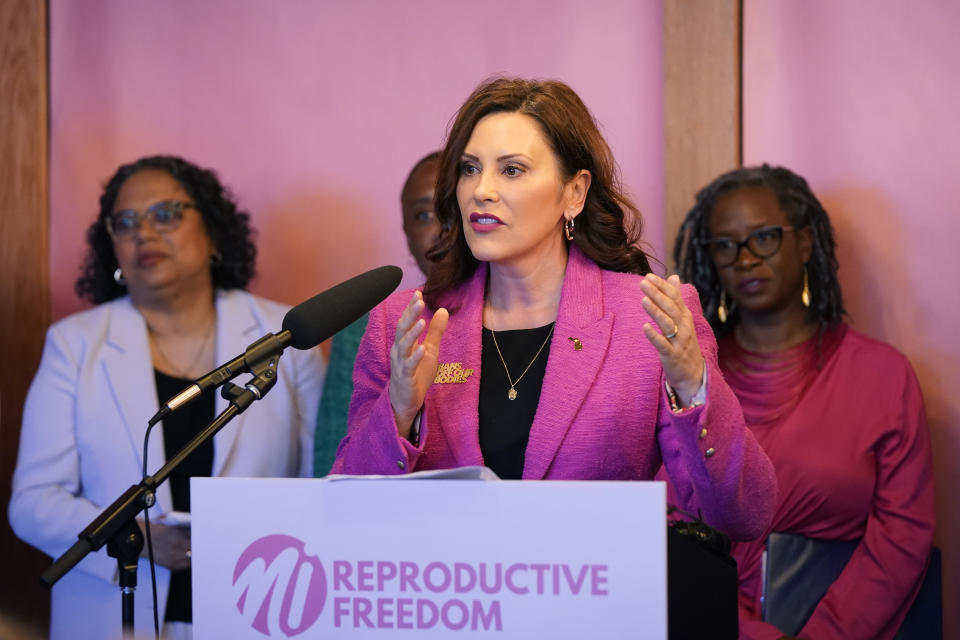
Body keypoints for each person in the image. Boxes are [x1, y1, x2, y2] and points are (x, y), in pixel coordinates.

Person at [331, 78, 776, 542]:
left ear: (574, 193)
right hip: (449, 605)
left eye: (512, 170)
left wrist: (693, 387)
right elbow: (348, 515)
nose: (481, 190)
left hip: (593, 603)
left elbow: (743, 516)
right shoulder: (405, 322)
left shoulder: (647, 317)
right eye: (469, 168)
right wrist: (399, 412)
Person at [8, 155, 325, 640]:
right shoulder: (74, 345)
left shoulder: (287, 339)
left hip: (259, 609)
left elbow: (320, 487)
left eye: (166, 214)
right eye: (126, 222)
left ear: (213, 232)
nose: (143, 234)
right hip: (114, 613)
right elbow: (32, 503)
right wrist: (138, 540)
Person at [673, 164, 935, 640]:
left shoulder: (883, 376)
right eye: (725, 246)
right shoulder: (690, 377)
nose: (745, 259)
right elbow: (671, 521)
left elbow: (903, 534)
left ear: (806, 242)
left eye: (764, 237)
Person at [314, 152, 442, 475]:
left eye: (451, 209)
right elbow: (332, 466)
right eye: (423, 215)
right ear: (406, 234)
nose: (441, 229)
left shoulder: (518, 316)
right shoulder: (364, 328)